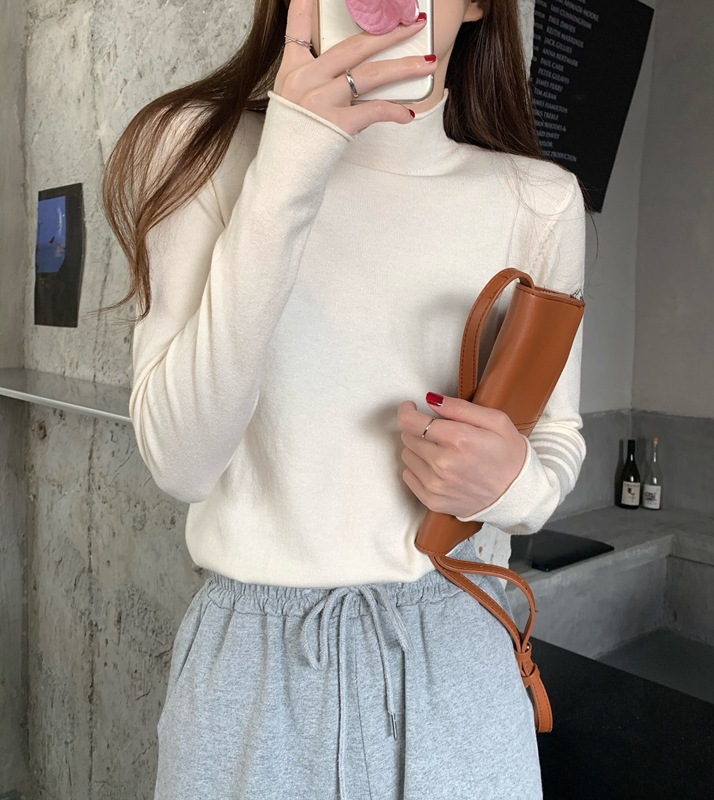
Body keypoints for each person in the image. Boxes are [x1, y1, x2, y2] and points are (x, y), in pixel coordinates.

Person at [101, 0, 587, 797]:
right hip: (258, 673)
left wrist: (512, 485)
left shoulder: (537, 200)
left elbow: (556, 438)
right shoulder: (199, 149)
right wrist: (292, 163)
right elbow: (181, 460)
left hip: (457, 654)